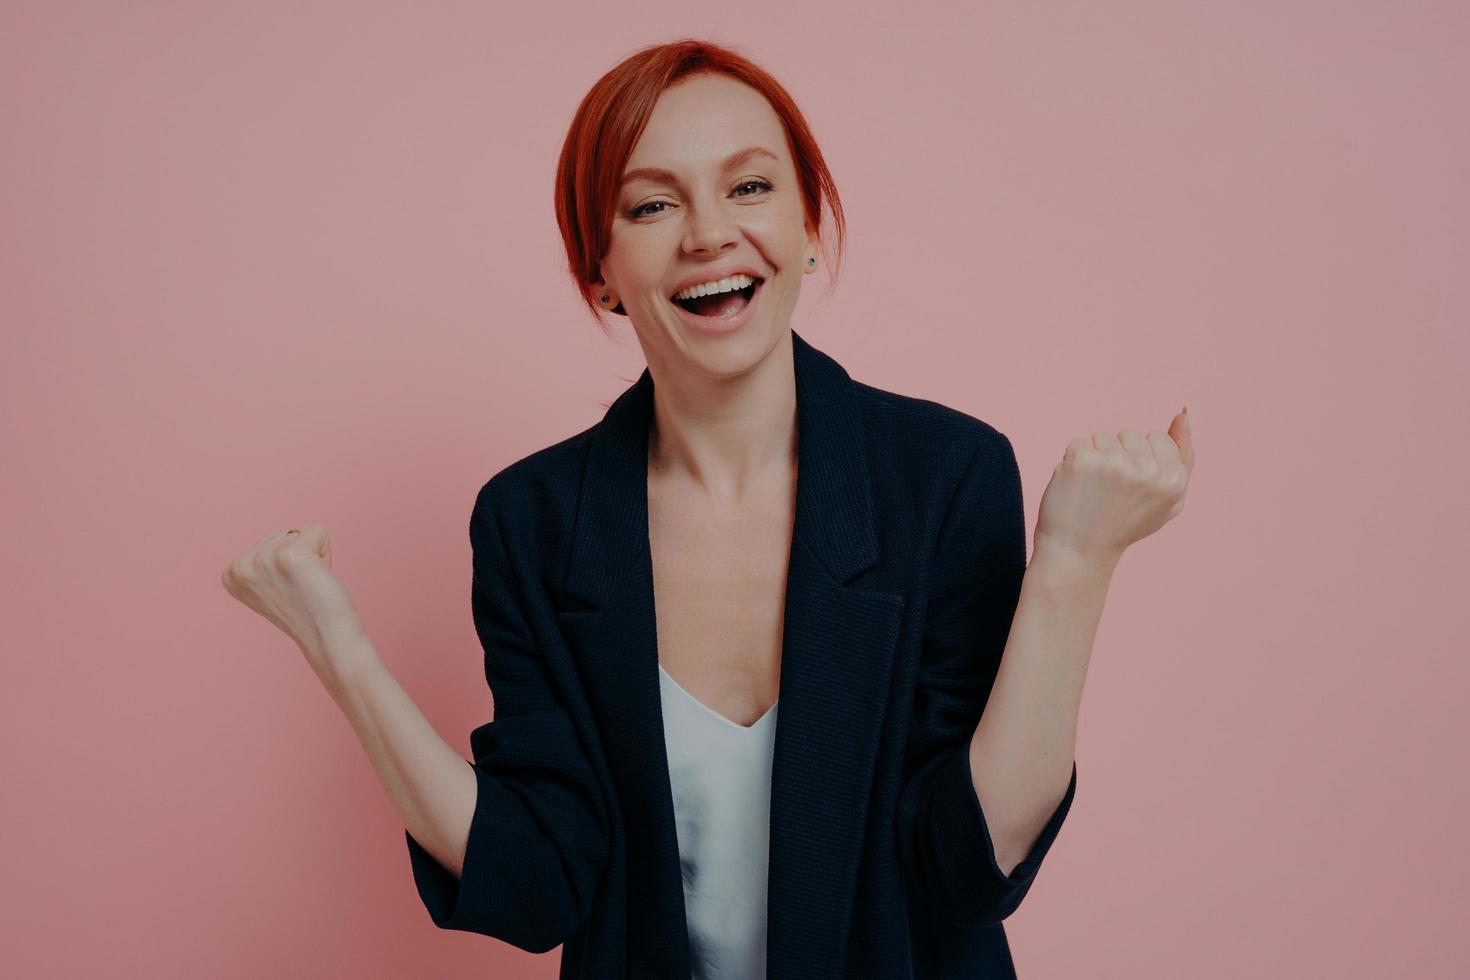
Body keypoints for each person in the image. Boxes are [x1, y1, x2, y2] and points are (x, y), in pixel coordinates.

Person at [221, 38, 1195, 980]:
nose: (708, 233)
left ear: (809, 228)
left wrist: (1074, 559)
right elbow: (539, 885)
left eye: (752, 186)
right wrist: (340, 650)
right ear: (598, 269)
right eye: (652, 204)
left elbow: (966, 863)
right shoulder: (532, 519)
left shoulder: (944, 474)